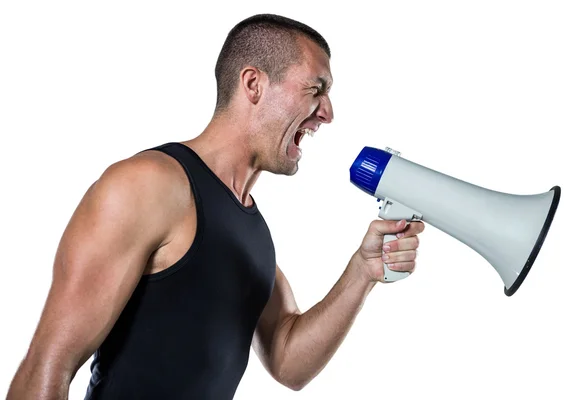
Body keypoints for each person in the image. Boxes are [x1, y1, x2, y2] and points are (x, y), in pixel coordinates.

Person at [7, 13, 424, 400]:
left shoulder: (253, 230)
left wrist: (363, 270)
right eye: (316, 89)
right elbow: (47, 367)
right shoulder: (147, 185)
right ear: (254, 84)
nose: (328, 114)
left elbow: (287, 359)